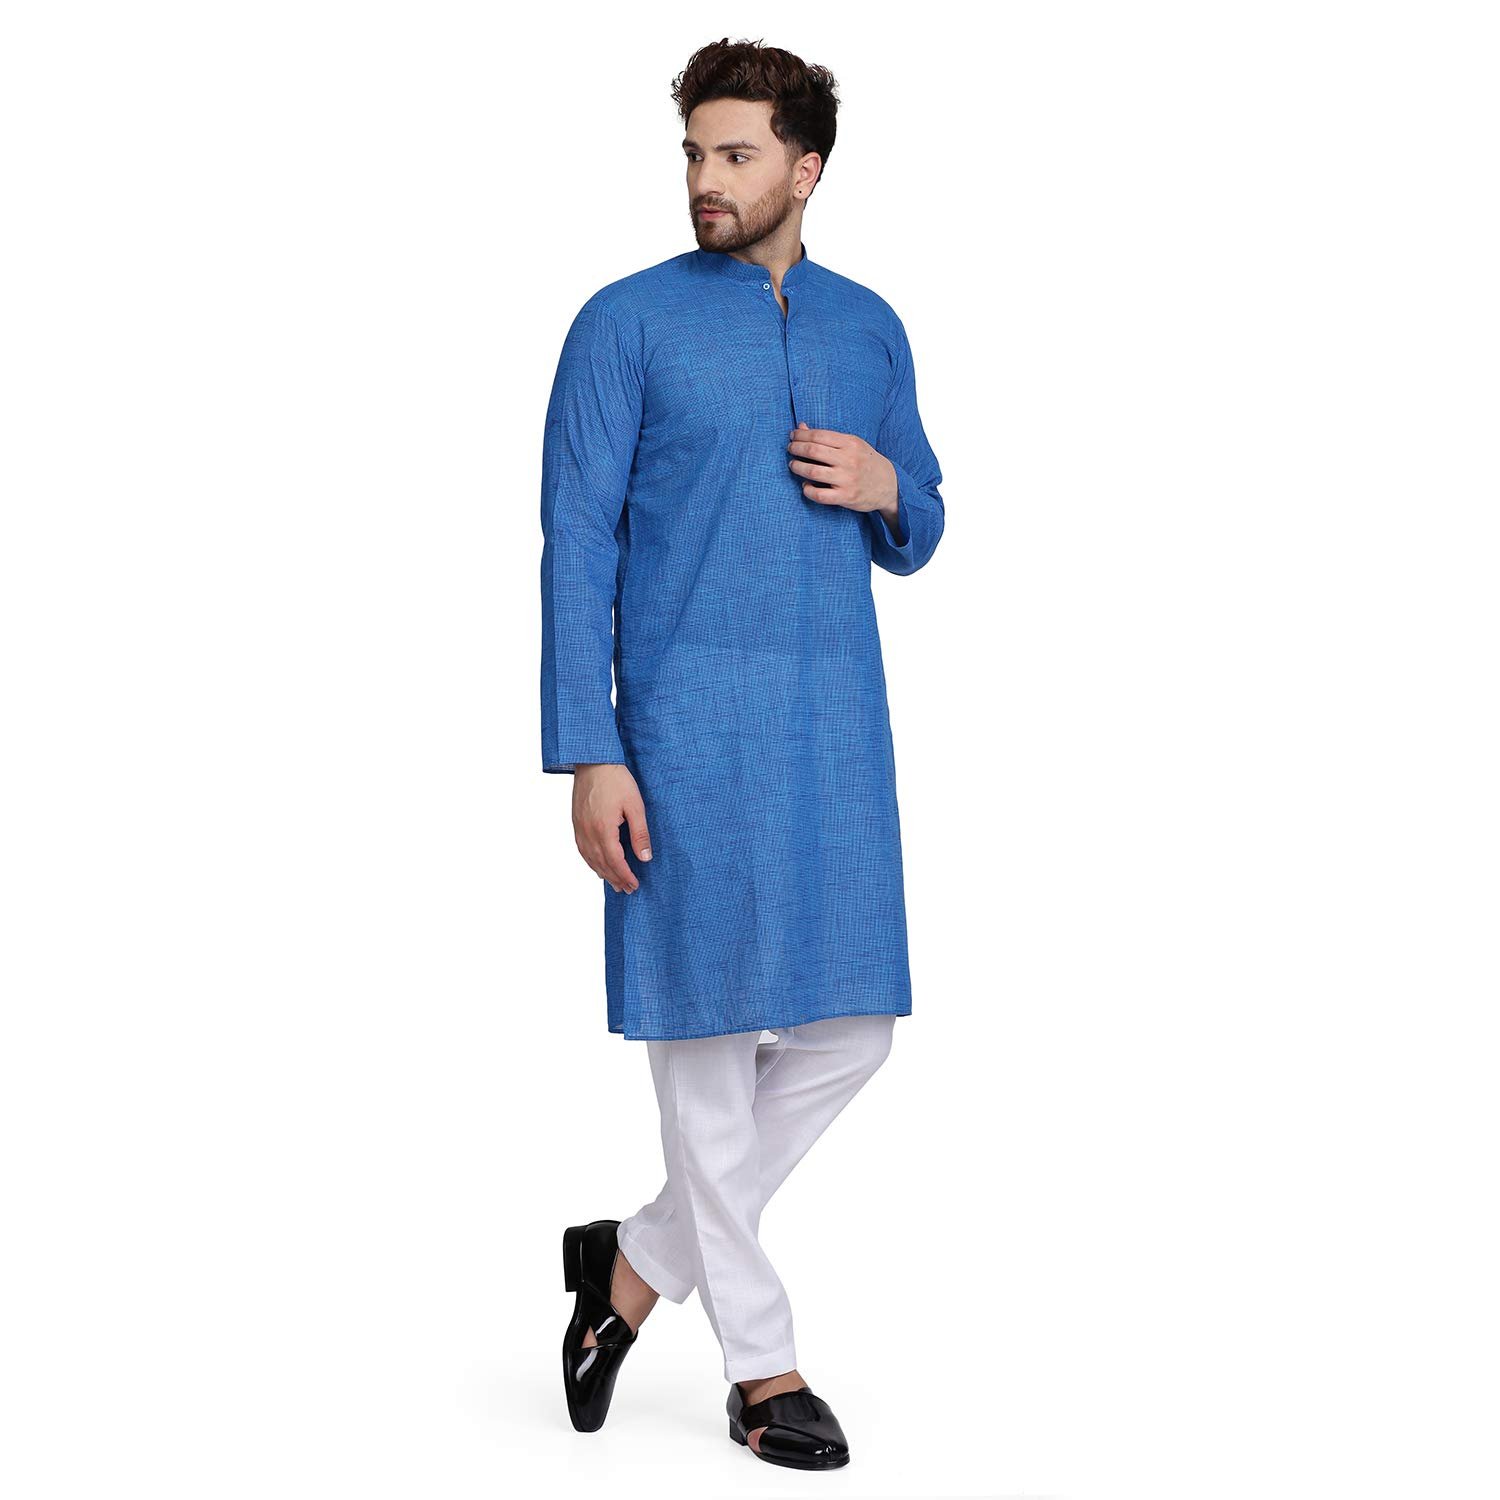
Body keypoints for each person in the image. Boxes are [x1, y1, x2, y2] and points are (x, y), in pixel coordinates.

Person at [543, 37, 945, 1471]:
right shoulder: (625, 324)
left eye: (735, 155)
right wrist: (590, 749)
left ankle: (633, 1266)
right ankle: (762, 1367)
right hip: (683, 731)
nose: (705, 181)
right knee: (707, 1041)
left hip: (833, 724)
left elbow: (922, 519)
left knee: (854, 1026)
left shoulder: (867, 326)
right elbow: (576, 541)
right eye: (694, 154)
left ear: (805, 167)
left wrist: (890, 485)